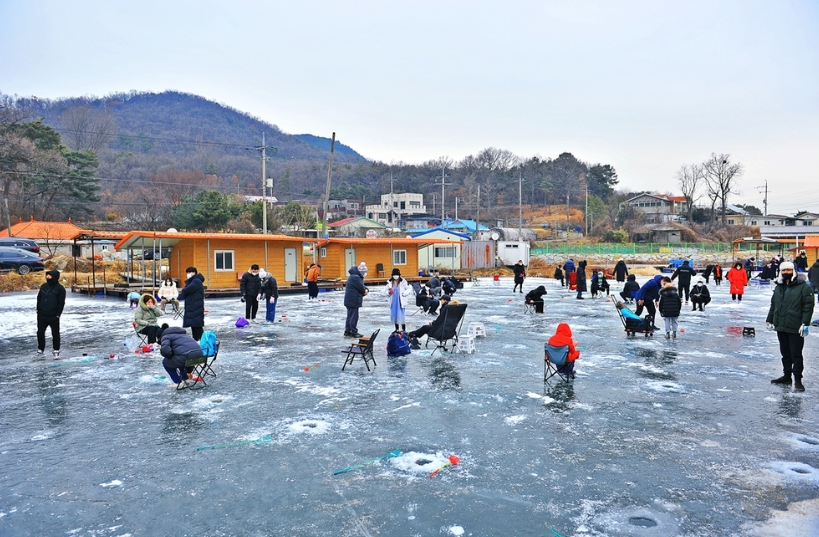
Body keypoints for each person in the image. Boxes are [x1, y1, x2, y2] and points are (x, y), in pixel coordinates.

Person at [767, 261, 815, 392]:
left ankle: (798, 380)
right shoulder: (779, 286)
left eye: (788, 270)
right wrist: (769, 319)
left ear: (793, 271)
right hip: (781, 326)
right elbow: (773, 305)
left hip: (795, 326)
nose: (786, 273)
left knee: (796, 354)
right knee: (785, 354)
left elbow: (808, 307)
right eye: (783, 271)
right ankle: (787, 376)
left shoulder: (803, 287)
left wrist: (805, 323)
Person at [156, 323, 202, 390]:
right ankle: (185, 378)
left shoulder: (166, 336)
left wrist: (169, 355)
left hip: (187, 357)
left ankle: (178, 382)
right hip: (199, 357)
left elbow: (166, 351)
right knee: (179, 359)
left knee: (166, 362)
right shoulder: (184, 335)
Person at [36, 269, 66, 359]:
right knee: (40, 333)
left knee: (55, 334)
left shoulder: (60, 289)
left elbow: (61, 302)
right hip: (42, 315)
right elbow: (39, 298)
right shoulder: (44, 286)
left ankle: (56, 350)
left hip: (53, 316)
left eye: (50, 276)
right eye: (47, 275)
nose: (47, 277)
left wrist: (58, 314)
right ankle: (40, 350)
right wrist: (38, 310)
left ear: (55, 277)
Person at [178, 266, 206, 341]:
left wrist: (182, 291)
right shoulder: (193, 281)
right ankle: (197, 341)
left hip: (195, 306)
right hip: (193, 306)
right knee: (194, 326)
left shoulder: (196, 281)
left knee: (197, 326)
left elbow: (187, 290)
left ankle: (202, 342)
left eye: (190, 272)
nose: (189, 274)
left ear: (194, 273)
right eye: (187, 273)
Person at [344, 264, 368, 338]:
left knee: (350, 316)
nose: (365, 273)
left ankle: (348, 331)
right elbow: (361, 288)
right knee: (354, 317)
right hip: (353, 300)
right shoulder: (356, 277)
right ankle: (353, 332)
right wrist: (365, 291)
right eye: (364, 272)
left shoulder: (354, 276)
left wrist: (366, 289)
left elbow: (361, 286)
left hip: (350, 300)